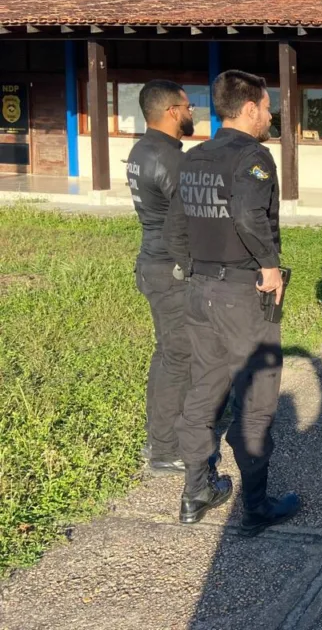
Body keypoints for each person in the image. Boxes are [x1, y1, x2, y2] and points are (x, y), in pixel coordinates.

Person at [164, 69, 299, 535]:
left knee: (203, 392)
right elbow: (246, 212)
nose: (269, 113)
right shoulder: (253, 157)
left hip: (199, 291)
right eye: (265, 106)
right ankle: (257, 507)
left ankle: (195, 492)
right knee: (256, 399)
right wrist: (268, 264)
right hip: (242, 294)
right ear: (248, 109)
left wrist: (190, 269)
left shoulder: (194, 156)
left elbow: (174, 229)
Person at [126, 80, 195, 475]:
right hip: (170, 270)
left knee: (168, 354)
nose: (191, 113)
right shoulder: (170, 158)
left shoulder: (142, 149)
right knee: (179, 358)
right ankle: (166, 450)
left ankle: (158, 438)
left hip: (152, 264)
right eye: (187, 106)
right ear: (171, 111)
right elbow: (184, 222)